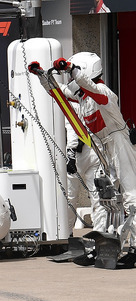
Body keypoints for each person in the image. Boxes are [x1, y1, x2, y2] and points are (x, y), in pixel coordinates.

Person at [58, 52, 136, 236]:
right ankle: (106, 237)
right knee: (106, 196)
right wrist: (43, 76)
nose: (70, 78)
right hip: (103, 147)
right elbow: (62, 93)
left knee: (131, 193)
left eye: (72, 74)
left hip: (119, 143)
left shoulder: (102, 91)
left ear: (83, 70)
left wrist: (72, 70)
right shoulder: (84, 98)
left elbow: (91, 88)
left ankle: (135, 244)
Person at [65, 101, 105, 233]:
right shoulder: (92, 101)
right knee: (97, 196)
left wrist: (70, 153)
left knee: (70, 196)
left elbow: (71, 129)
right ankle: (100, 233)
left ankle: (66, 233)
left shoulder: (69, 104)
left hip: (78, 154)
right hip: (96, 151)